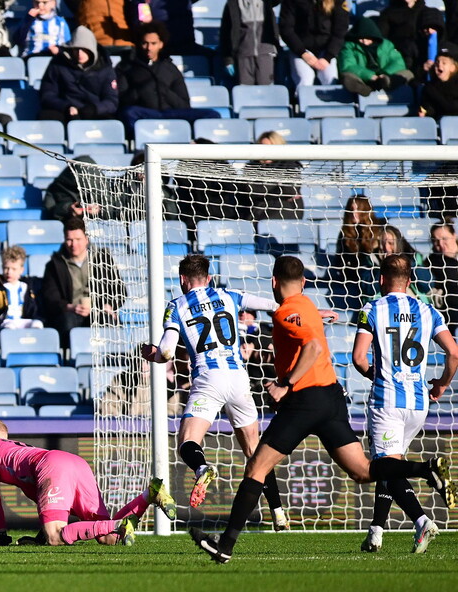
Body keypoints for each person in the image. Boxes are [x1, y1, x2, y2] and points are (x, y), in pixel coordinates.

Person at [191, 255, 454, 564]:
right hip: (332, 398)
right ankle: (425, 469)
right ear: (303, 283)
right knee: (363, 471)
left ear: (274, 282)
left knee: (256, 469)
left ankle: (225, 546)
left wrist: (285, 383)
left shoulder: (288, 312)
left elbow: (313, 346)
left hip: (305, 401)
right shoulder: (304, 306)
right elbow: (304, 325)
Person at [140, 255, 288, 528]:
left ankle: (202, 467)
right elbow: (271, 305)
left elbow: (167, 351)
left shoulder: (176, 306)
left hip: (208, 379)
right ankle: (278, 512)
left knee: (188, 441)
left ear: (182, 280)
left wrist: (153, 354)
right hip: (238, 378)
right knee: (255, 452)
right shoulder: (229, 295)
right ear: (208, 278)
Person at [353, 254, 458, 554]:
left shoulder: (372, 308)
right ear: (410, 281)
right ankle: (375, 532)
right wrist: (442, 384)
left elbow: (359, 358)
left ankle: (422, 518)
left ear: (381, 279)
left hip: (387, 401)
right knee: (391, 465)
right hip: (418, 403)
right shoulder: (428, 310)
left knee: (384, 465)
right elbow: (453, 353)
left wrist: (374, 374)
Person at [0, 418, 176, 547]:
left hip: (53, 465)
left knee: (55, 536)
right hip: (76, 463)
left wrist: (1, 536)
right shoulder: (17, 449)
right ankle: (149, 495)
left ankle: (120, 523)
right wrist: (39, 538)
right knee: (108, 537)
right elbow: (46, 500)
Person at [116, 21, 221, 129]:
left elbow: (184, 104)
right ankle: (141, 136)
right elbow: (121, 101)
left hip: (171, 113)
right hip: (145, 113)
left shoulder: (170, 68)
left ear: (161, 44)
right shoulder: (127, 67)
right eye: (144, 43)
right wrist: (141, 91)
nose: (149, 48)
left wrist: (165, 92)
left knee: (212, 114)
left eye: (153, 43)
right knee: (128, 113)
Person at [40, 217, 126, 343]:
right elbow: (50, 298)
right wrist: (70, 307)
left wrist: (108, 305)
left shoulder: (103, 260)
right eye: (69, 240)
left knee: (107, 321)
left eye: (78, 239)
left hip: (98, 311)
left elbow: (120, 291)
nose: (73, 244)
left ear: (86, 239)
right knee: (66, 322)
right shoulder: (54, 265)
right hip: (70, 313)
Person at [38, 26, 118, 124]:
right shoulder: (58, 64)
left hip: (94, 112)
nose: (80, 53)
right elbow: (47, 95)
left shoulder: (105, 67)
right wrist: (66, 107)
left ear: (92, 50)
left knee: (111, 122)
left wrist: (93, 109)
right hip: (66, 112)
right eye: (76, 49)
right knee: (46, 117)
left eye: (84, 50)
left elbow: (111, 101)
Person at [328, 196, 384, 311]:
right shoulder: (345, 234)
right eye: (351, 209)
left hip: (379, 276)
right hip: (356, 280)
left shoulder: (380, 228)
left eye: (358, 209)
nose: (354, 213)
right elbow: (340, 263)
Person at [279, 0, 349, 87]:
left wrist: (328, 57)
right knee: (305, 79)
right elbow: (286, 29)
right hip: (301, 50)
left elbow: (340, 32)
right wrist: (302, 53)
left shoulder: (337, 1)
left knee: (330, 79)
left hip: (326, 50)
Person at [338, 17, 414, 97]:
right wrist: (370, 76)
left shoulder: (386, 45)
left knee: (407, 74)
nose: (364, 41)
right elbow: (348, 66)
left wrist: (385, 74)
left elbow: (397, 62)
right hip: (363, 79)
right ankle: (364, 89)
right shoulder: (349, 47)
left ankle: (387, 82)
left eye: (367, 38)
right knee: (347, 77)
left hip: (385, 77)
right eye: (361, 38)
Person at [240, 131, 304, 221]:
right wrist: (278, 183)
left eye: (270, 148)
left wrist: (265, 188)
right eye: (263, 148)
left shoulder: (290, 164)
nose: (266, 151)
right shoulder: (252, 167)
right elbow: (253, 192)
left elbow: (290, 190)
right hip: (259, 211)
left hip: (288, 209)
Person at [0, 245, 44, 330]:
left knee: (37, 324)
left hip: (24, 320)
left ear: (21, 270)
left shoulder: (27, 286)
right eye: (6, 268)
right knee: (9, 328)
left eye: (14, 269)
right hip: (7, 321)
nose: (9, 272)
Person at [377, 0, 444, 79]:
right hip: (399, 57)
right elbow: (382, 38)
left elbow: (441, 38)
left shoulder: (428, 13)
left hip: (423, 56)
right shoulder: (389, 13)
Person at [218, 0, 279, 85]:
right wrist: (228, 60)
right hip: (243, 56)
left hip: (266, 54)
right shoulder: (232, 4)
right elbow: (225, 34)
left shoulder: (267, 2)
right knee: (245, 90)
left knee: (266, 88)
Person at [422, 222, 458, 333]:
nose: (441, 244)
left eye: (444, 239)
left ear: (454, 236)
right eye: (436, 241)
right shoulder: (433, 262)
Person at [419, 42, 458, 119]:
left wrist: (433, 92)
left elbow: (452, 107)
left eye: (444, 63)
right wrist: (425, 111)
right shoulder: (430, 87)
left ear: (452, 68)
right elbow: (427, 107)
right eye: (437, 62)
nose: (439, 65)